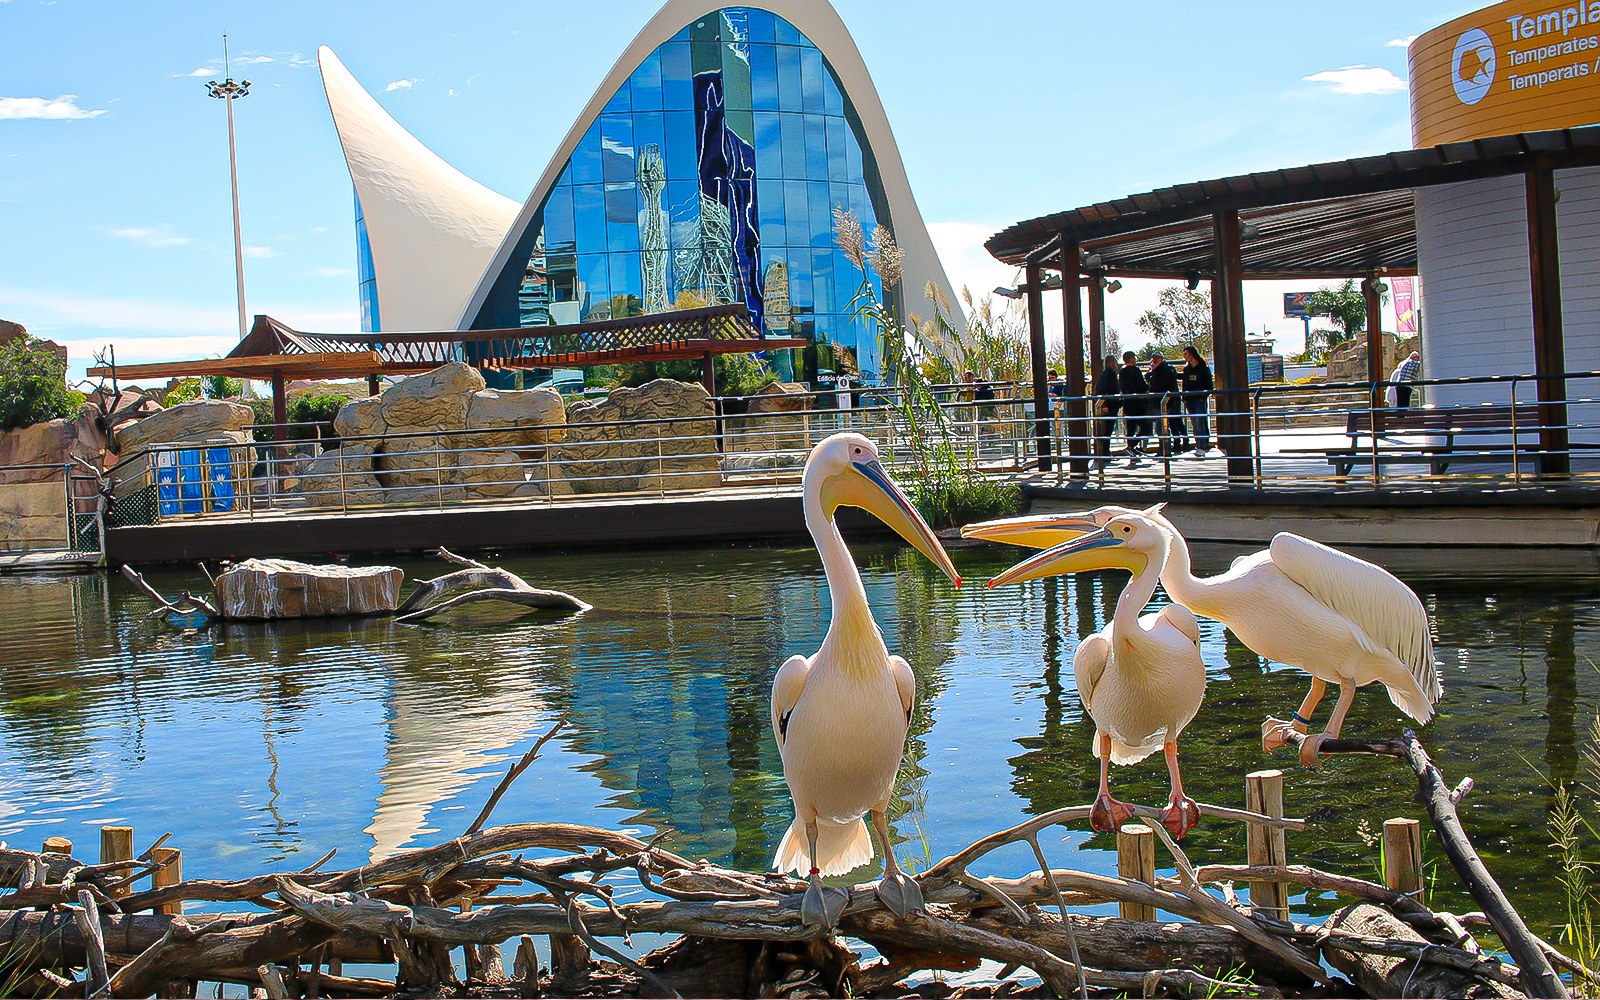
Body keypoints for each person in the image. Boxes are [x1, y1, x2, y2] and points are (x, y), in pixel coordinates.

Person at [1116, 351, 1150, 464]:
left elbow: (1121, 386)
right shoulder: (1135, 370)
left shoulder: (1122, 372)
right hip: (1138, 403)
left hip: (1128, 403)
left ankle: (1131, 450)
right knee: (1146, 427)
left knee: (1130, 429)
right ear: (1131, 359)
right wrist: (1148, 388)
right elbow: (1141, 385)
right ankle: (1132, 446)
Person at [1146, 352, 1183, 455]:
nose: (1154, 360)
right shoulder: (1159, 370)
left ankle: (1165, 449)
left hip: (1164, 402)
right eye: (1153, 358)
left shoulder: (1164, 370)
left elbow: (1163, 386)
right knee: (1164, 426)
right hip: (1163, 402)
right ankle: (1166, 448)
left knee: (1162, 427)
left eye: (1157, 358)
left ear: (1161, 359)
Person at [1180, 346, 1213, 457]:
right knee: (1194, 424)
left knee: (1200, 423)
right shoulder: (1187, 370)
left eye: (1186, 354)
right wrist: (1184, 398)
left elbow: (1209, 386)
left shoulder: (1204, 369)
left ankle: (1201, 446)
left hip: (1199, 400)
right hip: (1189, 400)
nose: (1184, 357)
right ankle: (1199, 444)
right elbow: (1185, 384)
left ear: (1191, 354)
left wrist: (1202, 397)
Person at [1092, 356, 1120, 471]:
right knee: (1107, 430)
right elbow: (1103, 390)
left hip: (1111, 404)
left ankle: (1106, 453)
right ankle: (1105, 453)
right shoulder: (1109, 374)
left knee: (1108, 430)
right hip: (1110, 405)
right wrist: (1105, 405)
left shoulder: (1108, 374)